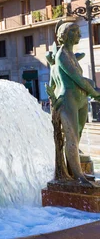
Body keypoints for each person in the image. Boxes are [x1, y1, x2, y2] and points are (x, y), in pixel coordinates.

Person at [47, 21, 100, 184]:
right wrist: (94, 92)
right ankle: (78, 176)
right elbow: (76, 79)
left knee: (77, 136)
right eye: (75, 31)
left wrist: (90, 89)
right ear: (65, 35)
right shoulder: (62, 54)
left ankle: (73, 168)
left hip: (81, 101)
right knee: (72, 137)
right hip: (68, 100)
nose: (79, 34)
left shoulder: (70, 54)